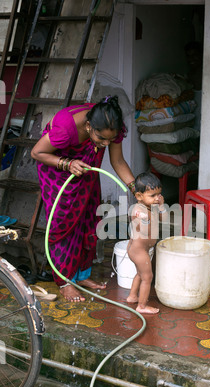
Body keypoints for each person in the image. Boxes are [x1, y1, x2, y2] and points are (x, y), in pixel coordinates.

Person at [31, 95, 136, 302]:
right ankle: (64, 281)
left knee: (88, 217)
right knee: (64, 225)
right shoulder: (66, 129)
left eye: (109, 140)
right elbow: (37, 152)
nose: (105, 144)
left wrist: (137, 190)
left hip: (85, 171)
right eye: (101, 139)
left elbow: (118, 161)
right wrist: (67, 164)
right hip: (57, 171)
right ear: (88, 126)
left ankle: (81, 275)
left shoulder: (111, 126)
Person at [126, 172, 167, 315]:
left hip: (142, 249)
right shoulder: (139, 209)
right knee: (148, 277)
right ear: (139, 196)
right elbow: (136, 217)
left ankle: (132, 296)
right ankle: (141, 306)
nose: (157, 198)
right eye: (152, 196)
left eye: (159, 194)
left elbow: (165, 219)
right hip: (139, 250)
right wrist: (142, 218)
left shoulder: (154, 206)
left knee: (140, 273)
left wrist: (162, 206)